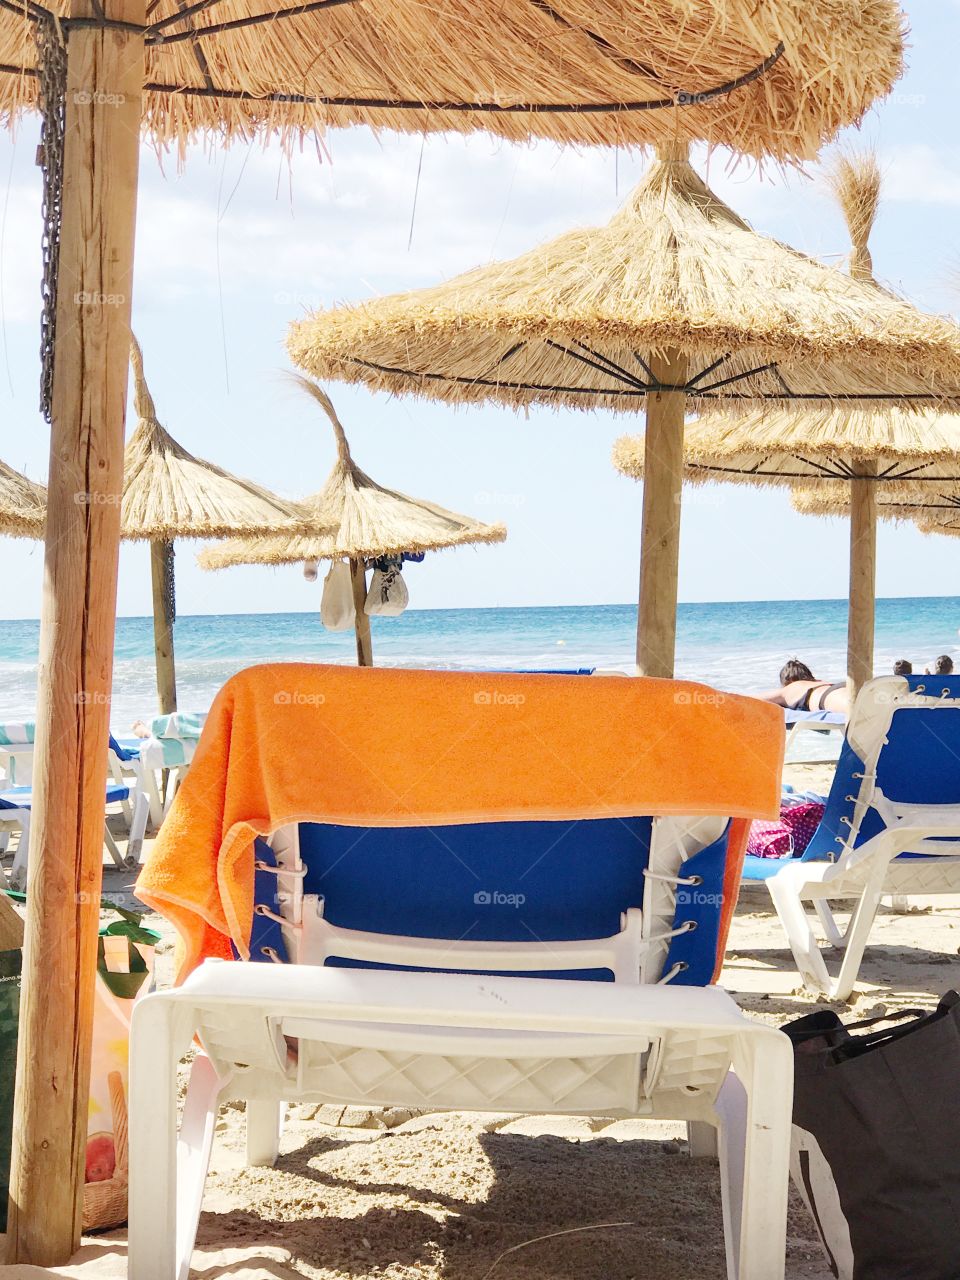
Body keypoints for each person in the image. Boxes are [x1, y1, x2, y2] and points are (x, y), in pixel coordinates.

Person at [757, 658, 849, 715]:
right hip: (843, 686)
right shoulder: (820, 682)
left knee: (854, 712)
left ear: (789, 680)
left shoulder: (790, 687)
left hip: (827, 698)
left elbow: (751, 700)